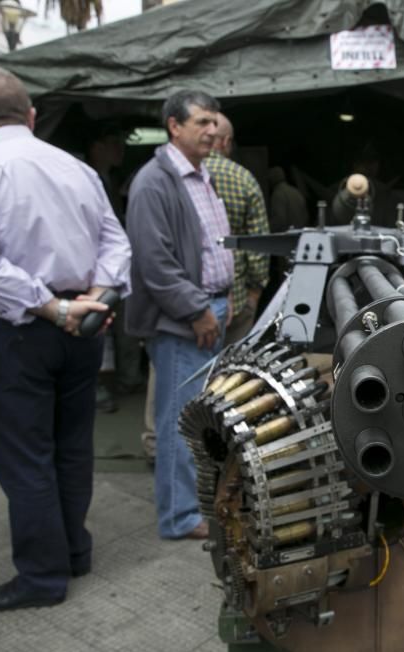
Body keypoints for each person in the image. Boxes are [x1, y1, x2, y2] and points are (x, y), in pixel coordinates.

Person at [0, 66, 131, 610]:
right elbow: (115, 245)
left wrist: (55, 307)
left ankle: (42, 577)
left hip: (19, 332)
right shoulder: (75, 167)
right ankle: (73, 552)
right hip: (83, 330)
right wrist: (91, 300)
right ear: (30, 115)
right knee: (72, 448)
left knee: (24, 458)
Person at [125, 90, 233, 541]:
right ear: (174, 126)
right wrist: (196, 310)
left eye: (215, 122)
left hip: (210, 309)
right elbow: (155, 262)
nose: (213, 130)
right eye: (202, 122)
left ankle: (192, 504)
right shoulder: (154, 182)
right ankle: (180, 516)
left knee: (196, 414)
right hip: (185, 318)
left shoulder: (198, 174)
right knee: (178, 419)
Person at [85, 122, 145, 401]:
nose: (120, 150)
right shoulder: (87, 179)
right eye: (114, 144)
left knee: (124, 326)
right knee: (97, 325)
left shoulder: (113, 179)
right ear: (97, 148)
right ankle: (97, 385)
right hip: (95, 270)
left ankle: (127, 379)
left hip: (118, 267)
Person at [204, 112, 270, 344]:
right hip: (238, 297)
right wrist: (255, 293)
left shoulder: (179, 177)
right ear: (226, 141)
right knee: (232, 372)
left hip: (191, 303)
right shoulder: (244, 179)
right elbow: (259, 243)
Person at [268, 166, 308, 232]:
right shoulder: (296, 191)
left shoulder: (278, 194)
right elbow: (305, 216)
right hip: (300, 234)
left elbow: (279, 220)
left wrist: (267, 229)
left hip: (287, 236)